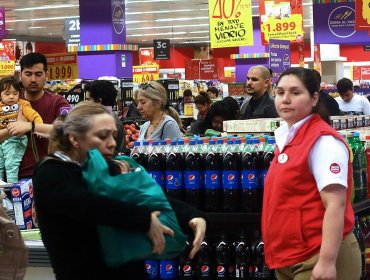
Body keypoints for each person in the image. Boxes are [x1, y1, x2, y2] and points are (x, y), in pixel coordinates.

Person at [32, 102, 207, 279]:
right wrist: (143, 219)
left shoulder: (108, 165)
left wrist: (191, 216)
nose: (112, 144)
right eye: (102, 136)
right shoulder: (52, 173)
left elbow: (141, 198)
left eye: (113, 136)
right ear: (74, 139)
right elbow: (88, 205)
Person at [262, 67, 361, 280]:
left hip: (319, 254)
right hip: (290, 256)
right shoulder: (286, 138)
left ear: (314, 98)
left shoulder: (323, 141)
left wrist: (326, 261)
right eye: (280, 93)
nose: (285, 99)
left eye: (295, 93)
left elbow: (336, 204)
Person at [3, 52, 70, 179]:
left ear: (46, 75)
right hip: (11, 179)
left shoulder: (58, 102)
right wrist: (12, 129)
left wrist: (31, 126)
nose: (33, 79)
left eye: (38, 74)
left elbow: (70, 130)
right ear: (20, 75)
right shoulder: (7, 101)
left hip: (49, 176)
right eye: (28, 74)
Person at [0, 76, 43, 182]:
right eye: (7, 93)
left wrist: (39, 127)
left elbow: (34, 116)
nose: (11, 97)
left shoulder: (22, 105)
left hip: (16, 139)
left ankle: (13, 186)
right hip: (2, 140)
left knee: (11, 163)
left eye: (15, 93)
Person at [84, 80, 125, 154]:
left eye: (88, 100)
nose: (85, 103)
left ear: (99, 100)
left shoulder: (110, 122)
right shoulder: (109, 119)